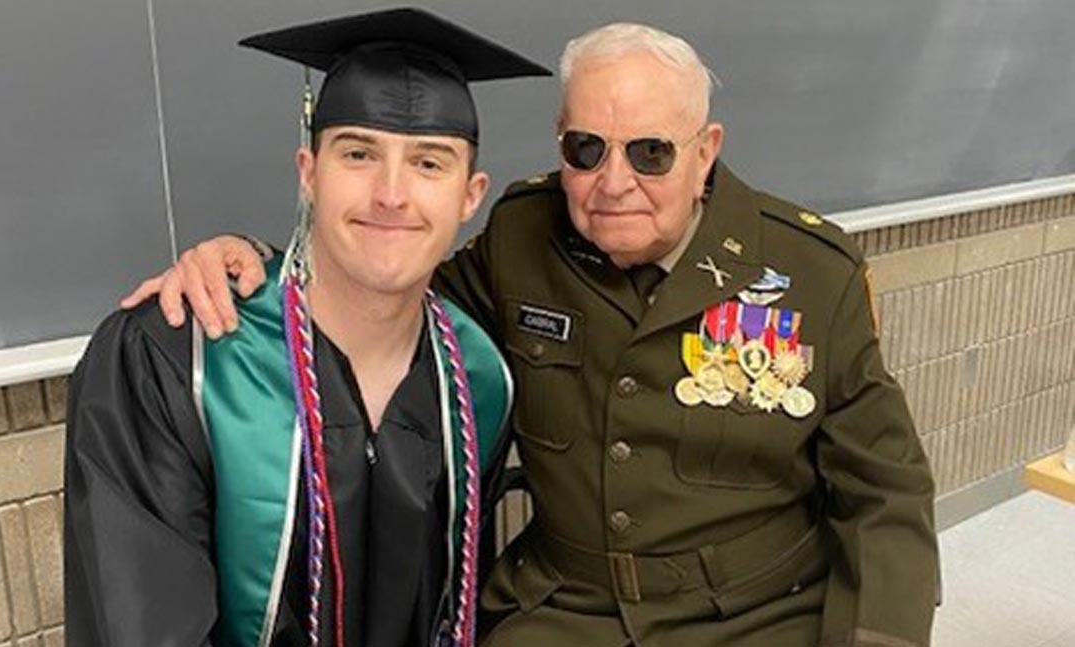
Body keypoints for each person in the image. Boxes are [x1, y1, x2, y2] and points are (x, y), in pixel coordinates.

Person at [125, 21, 939, 647]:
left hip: (757, 615)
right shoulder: (522, 237)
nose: (613, 181)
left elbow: (886, 489)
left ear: (705, 152)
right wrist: (253, 262)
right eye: (586, 149)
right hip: (568, 610)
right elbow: (385, 277)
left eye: (651, 153)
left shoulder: (809, 272)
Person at [64, 8, 552, 647]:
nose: (391, 194)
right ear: (309, 172)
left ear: (471, 195)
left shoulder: (478, 380)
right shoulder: (178, 359)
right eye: (358, 153)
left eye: (429, 163)